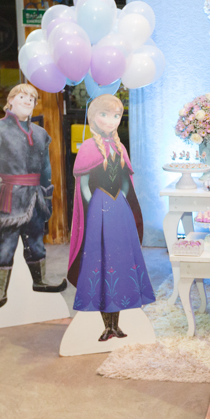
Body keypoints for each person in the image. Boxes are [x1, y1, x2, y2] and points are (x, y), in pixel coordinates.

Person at [0, 83, 67, 310]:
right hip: (8, 196)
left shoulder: (40, 133)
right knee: (4, 245)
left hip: (35, 196)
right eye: (22, 97)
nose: (28, 101)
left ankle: (40, 281)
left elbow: (45, 166)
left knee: (36, 242)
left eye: (32, 98)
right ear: (10, 101)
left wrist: (47, 193)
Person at [67, 94, 155, 342]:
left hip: (120, 210)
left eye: (116, 116)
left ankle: (116, 325)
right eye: (104, 115)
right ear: (93, 117)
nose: (110, 120)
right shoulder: (88, 147)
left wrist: (122, 201)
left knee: (119, 261)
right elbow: (84, 183)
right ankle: (106, 325)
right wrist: (94, 207)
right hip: (98, 210)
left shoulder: (120, 147)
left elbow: (126, 180)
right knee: (101, 261)